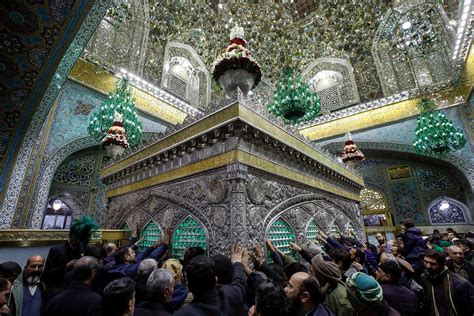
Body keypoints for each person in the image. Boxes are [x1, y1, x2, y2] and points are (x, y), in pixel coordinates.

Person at [174, 245, 247, 316]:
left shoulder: (183, 313)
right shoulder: (230, 297)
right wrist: (237, 263)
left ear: (189, 286)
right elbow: (239, 283)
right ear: (216, 280)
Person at [42, 216, 98, 300]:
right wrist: (65, 267)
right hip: (59, 292)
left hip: (79, 293)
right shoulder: (56, 250)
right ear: (71, 235)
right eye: (78, 238)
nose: (79, 241)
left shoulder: (86, 249)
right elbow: (47, 275)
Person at [420, 249, 474, 316]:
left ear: (442, 265)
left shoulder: (460, 284)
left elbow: (468, 309)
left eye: (433, 263)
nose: (428, 266)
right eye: (426, 262)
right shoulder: (425, 278)